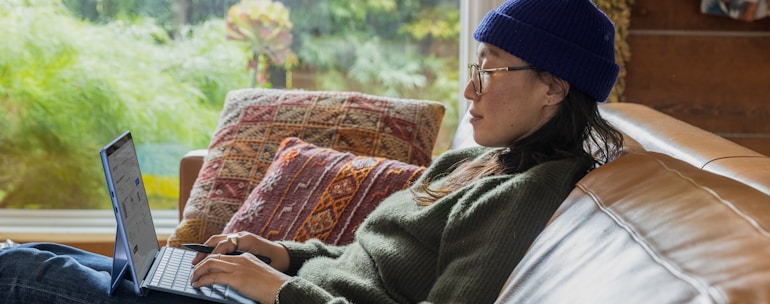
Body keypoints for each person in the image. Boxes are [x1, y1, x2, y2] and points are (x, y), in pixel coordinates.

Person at [0, 0, 624, 303]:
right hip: (280, 292)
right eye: (474, 66)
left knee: (23, 275)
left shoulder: (527, 193)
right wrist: (284, 254)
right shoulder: (477, 161)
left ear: (554, 88)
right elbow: (370, 260)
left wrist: (279, 291)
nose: (468, 88)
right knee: (42, 254)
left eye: (490, 71)